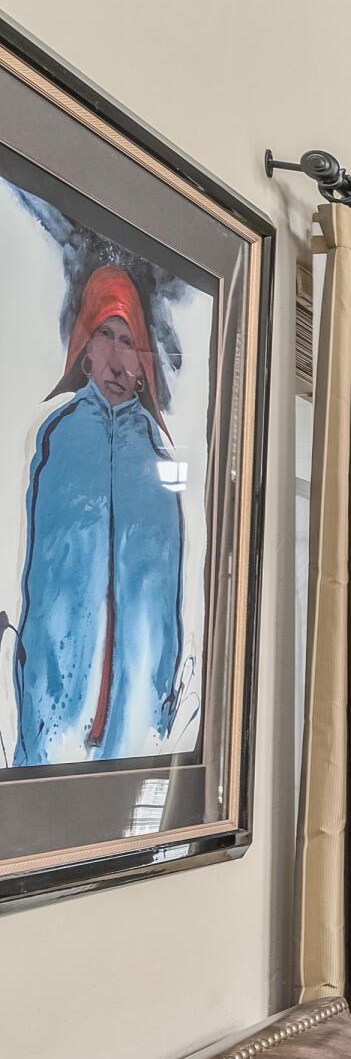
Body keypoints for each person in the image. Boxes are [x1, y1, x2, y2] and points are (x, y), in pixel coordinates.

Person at [12, 263, 183, 765]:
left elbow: (166, 600)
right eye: (104, 335)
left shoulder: (157, 455)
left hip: (136, 723)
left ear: (143, 358)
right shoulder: (55, 436)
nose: (114, 359)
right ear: (85, 347)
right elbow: (35, 585)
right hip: (58, 699)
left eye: (127, 341)